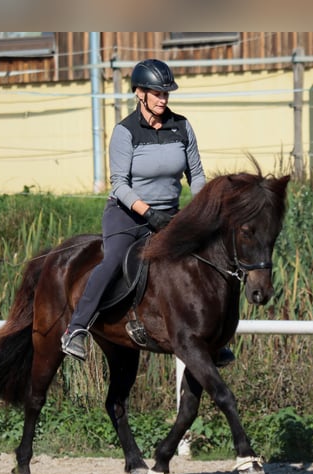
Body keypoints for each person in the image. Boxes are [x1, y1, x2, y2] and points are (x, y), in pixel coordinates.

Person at [60, 58, 235, 367]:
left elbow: (196, 175)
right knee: (113, 260)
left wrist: (201, 210)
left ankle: (211, 338)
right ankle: (77, 328)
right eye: (157, 93)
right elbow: (119, 185)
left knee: (201, 261)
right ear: (140, 93)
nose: (163, 99)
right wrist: (148, 213)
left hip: (171, 215)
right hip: (127, 214)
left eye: (167, 94)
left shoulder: (181, 126)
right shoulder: (125, 132)